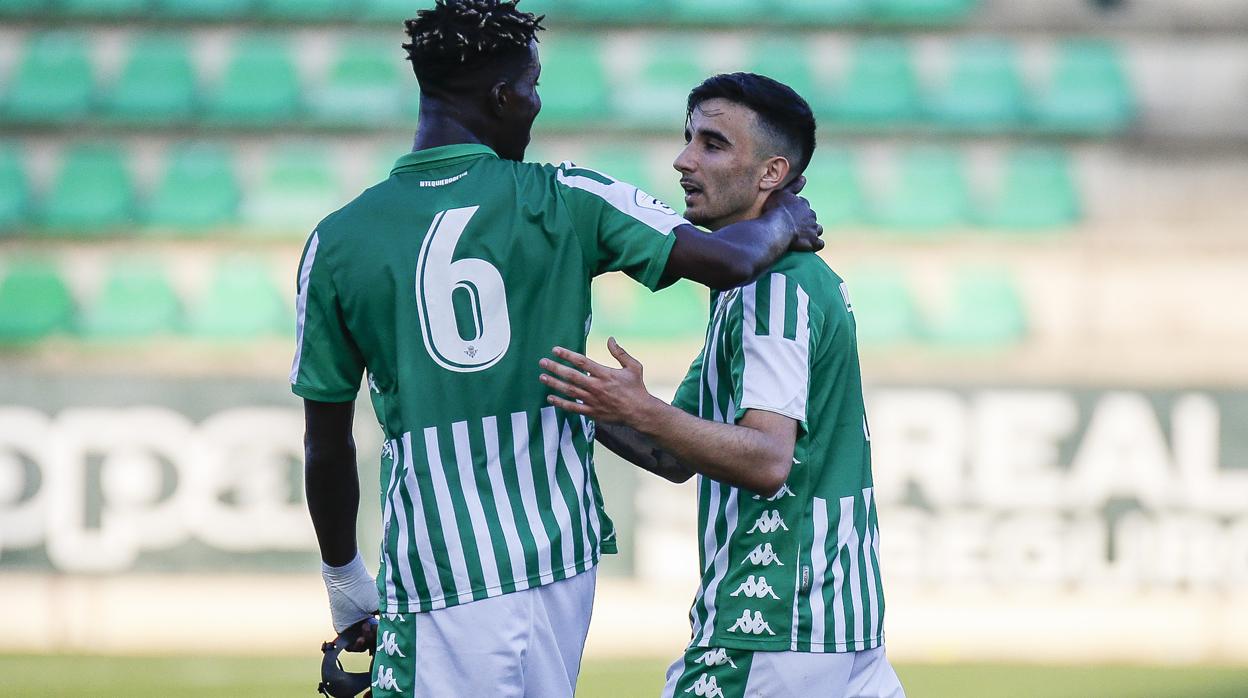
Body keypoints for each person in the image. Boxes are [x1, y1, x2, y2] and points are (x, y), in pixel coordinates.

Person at [292, 2, 824, 696]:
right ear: (507, 95)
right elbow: (728, 260)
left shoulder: (337, 240)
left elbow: (325, 445)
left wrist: (345, 581)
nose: (535, 103)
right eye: (534, 87)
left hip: (443, 568)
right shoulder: (566, 193)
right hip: (560, 561)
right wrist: (783, 214)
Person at [539, 73, 905, 697]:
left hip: (769, 624)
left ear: (770, 173)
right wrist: (600, 404)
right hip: (839, 626)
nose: (684, 160)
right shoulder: (762, 287)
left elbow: (766, 461)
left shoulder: (775, 291)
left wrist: (645, 410)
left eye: (712, 144)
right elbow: (672, 455)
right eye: (688, 139)